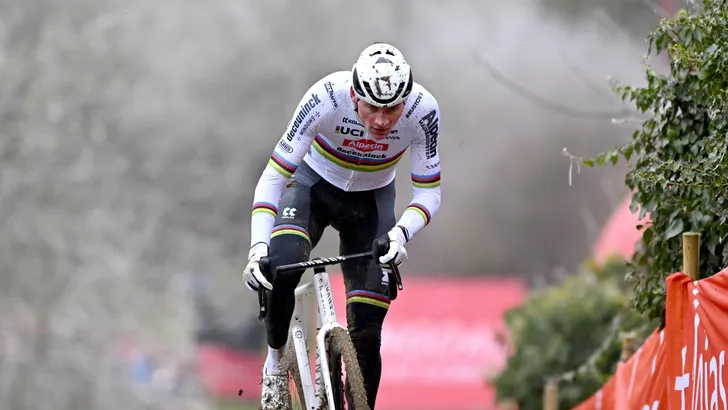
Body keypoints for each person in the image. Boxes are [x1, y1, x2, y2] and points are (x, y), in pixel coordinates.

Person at [242, 42, 442, 409]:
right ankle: (275, 368)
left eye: (392, 109)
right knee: (282, 265)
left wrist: (400, 235)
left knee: (367, 329)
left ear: (406, 101)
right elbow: (273, 176)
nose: (381, 120)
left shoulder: (423, 110)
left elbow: (429, 192)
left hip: (372, 201)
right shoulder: (325, 97)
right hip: (312, 187)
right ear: (354, 95)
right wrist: (257, 249)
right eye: (371, 107)